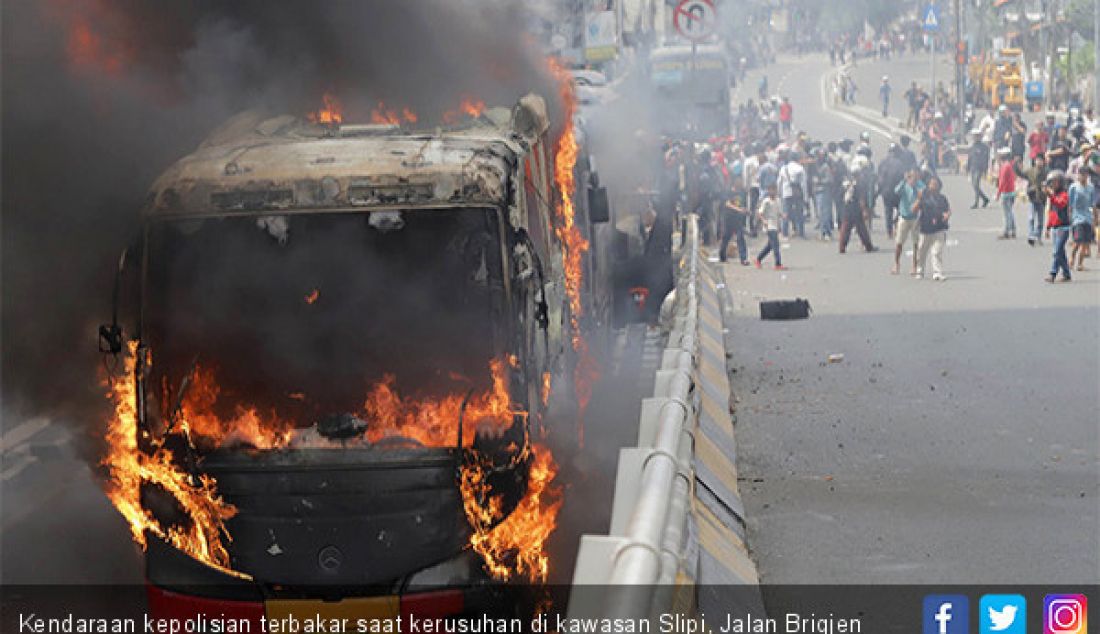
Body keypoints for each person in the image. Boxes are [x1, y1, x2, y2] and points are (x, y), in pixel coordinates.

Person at [838, 150, 877, 253]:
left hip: (847, 207)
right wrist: (864, 210)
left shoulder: (846, 182)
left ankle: (842, 247)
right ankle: (868, 247)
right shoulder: (859, 183)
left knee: (846, 228)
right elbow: (861, 198)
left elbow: (841, 194)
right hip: (856, 208)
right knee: (861, 228)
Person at [915, 175, 951, 281]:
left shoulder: (942, 198)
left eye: (936, 184)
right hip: (925, 228)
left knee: (936, 252)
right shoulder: (923, 197)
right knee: (922, 252)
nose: (934, 186)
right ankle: (920, 271)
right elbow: (914, 209)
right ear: (928, 185)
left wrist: (947, 215)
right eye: (932, 184)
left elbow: (948, 210)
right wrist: (918, 199)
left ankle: (937, 272)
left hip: (939, 228)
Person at [893, 168, 925, 275]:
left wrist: (916, 187)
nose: (914, 178)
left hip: (915, 218)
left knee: (916, 244)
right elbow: (896, 191)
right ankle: (896, 264)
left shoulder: (920, 185)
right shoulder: (904, 185)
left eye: (916, 176)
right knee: (899, 242)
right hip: (904, 216)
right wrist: (904, 181)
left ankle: (915, 266)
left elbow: (923, 195)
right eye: (912, 176)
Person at [1044, 170, 1072, 282]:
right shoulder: (1053, 196)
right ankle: (1066, 273)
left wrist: (1051, 196)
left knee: (1057, 251)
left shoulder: (1064, 195)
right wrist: (1047, 227)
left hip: (1063, 227)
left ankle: (1053, 273)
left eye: (1055, 182)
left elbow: (1061, 204)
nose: (1053, 185)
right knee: (1060, 252)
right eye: (1052, 182)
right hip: (1055, 227)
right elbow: (1052, 213)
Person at [1069, 168, 1096, 271]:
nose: (1083, 177)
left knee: (1086, 243)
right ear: (1078, 175)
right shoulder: (1074, 187)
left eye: (1085, 175)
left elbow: (1093, 205)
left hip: (1088, 218)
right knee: (1077, 241)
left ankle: (1080, 264)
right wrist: (1069, 219)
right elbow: (1070, 205)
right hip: (1077, 219)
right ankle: (1072, 259)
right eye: (1081, 175)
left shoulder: (1091, 188)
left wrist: (1094, 219)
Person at [720, 178, 751, 265]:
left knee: (740, 238)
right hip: (729, 218)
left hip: (738, 219)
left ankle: (743, 258)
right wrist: (739, 209)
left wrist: (745, 211)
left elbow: (742, 205)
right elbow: (727, 204)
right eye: (739, 181)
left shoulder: (742, 193)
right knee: (726, 237)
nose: (740, 183)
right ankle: (722, 256)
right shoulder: (728, 192)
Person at [754, 183, 785, 270]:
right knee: (776, 245)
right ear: (768, 191)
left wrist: (783, 216)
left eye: (774, 190)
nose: (773, 192)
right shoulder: (766, 201)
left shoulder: (778, 201)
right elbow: (760, 213)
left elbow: (779, 213)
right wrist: (763, 220)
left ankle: (758, 259)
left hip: (775, 225)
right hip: (769, 226)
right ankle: (778, 264)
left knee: (770, 246)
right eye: (771, 190)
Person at [878, 145, 906, 239]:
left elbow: (879, 177)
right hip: (896, 191)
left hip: (885, 191)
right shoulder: (900, 163)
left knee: (888, 211)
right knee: (901, 209)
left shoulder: (882, 162)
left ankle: (889, 232)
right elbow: (903, 178)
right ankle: (896, 223)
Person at [778, 151, 807, 238]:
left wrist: (779, 193)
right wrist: (805, 196)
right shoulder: (800, 168)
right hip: (797, 193)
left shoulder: (784, 168)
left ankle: (785, 232)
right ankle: (801, 232)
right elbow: (803, 184)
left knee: (786, 212)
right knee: (799, 212)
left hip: (786, 192)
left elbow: (779, 182)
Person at [811, 148, 835, 240]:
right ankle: (825, 231)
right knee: (822, 212)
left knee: (824, 212)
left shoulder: (825, 167)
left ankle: (825, 232)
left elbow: (830, 180)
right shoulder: (814, 166)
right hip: (818, 191)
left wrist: (820, 181)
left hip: (824, 191)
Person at [1025, 154, 1049, 246]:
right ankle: (1031, 235)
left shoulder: (1047, 172)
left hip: (1042, 199)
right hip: (1032, 197)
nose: (1039, 162)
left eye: (1040, 160)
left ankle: (1038, 236)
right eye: (1037, 160)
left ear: (1044, 162)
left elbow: (1050, 183)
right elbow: (1023, 174)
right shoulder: (1031, 171)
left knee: (1040, 220)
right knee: (1031, 218)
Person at [994, 148, 1018, 239]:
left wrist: (998, 194)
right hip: (1011, 191)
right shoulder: (1010, 165)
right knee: (1010, 212)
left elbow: (1002, 181)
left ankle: (1007, 231)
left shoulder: (1005, 166)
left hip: (1006, 192)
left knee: (1006, 213)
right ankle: (1012, 230)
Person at [967, 130, 991, 208]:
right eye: (974, 136)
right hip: (973, 167)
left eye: (977, 136)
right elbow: (970, 158)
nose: (975, 137)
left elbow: (986, 159)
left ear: (980, 137)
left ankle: (976, 203)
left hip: (979, 168)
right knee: (974, 185)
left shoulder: (984, 147)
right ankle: (985, 199)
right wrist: (968, 168)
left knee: (976, 185)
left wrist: (985, 169)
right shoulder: (972, 146)